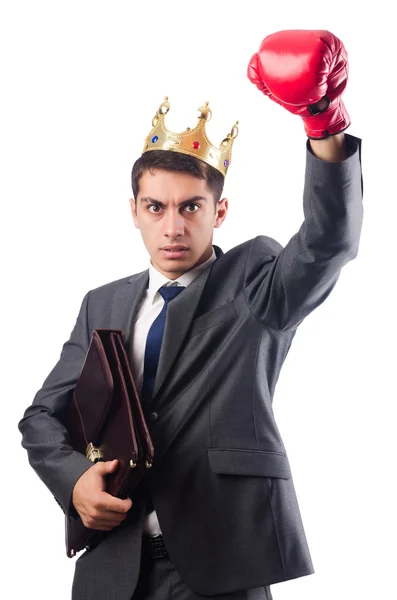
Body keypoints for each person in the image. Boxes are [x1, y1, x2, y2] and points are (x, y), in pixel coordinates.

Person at [18, 29, 363, 600]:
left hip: (220, 568)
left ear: (219, 210)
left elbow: (328, 244)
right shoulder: (101, 302)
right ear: (134, 212)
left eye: (191, 207)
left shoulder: (256, 283)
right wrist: (74, 477)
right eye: (156, 207)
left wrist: (324, 125)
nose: (173, 227)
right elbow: (41, 418)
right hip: (112, 569)